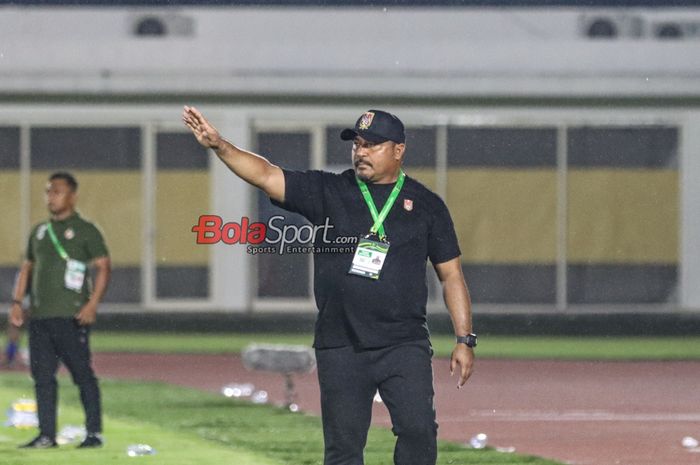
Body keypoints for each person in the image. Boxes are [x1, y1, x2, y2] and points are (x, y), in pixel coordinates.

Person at [183, 106, 476, 465]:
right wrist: (220, 145)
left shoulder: (428, 206)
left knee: (418, 432)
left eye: (372, 145)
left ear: (398, 150)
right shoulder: (329, 190)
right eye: (357, 144)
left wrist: (464, 339)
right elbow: (265, 175)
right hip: (341, 345)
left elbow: (452, 275)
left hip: (403, 343)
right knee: (343, 449)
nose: (360, 152)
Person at [8, 172, 111, 449]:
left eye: (57, 191)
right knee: (42, 378)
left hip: (72, 316)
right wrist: (18, 303)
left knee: (82, 375)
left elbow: (103, 266)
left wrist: (92, 303)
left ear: (72, 196)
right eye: (48, 191)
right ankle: (46, 435)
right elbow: (27, 268)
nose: (51, 197)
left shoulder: (86, 230)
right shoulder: (39, 232)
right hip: (41, 317)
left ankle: (94, 433)